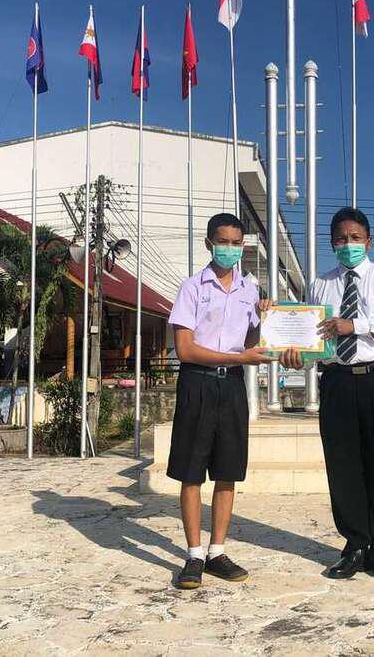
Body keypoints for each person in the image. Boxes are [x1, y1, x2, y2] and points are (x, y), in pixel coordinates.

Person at [279, 208, 374, 584]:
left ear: (368, 241)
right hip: (337, 381)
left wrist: (354, 325)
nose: (348, 244)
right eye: (340, 238)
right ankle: (355, 545)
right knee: (343, 468)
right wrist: (296, 354)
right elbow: (312, 337)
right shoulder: (320, 285)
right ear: (331, 242)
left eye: (355, 237)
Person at [166, 213, 273, 590]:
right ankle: (194, 554)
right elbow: (185, 349)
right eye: (223, 242)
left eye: (236, 243)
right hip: (197, 382)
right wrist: (238, 357)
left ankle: (217, 552)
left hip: (232, 387)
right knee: (191, 471)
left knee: (228, 470)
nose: (230, 249)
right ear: (209, 243)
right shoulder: (192, 288)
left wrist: (264, 320)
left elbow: (251, 344)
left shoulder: (249, 290)